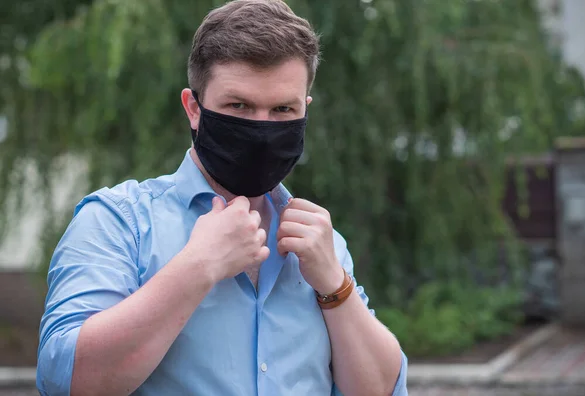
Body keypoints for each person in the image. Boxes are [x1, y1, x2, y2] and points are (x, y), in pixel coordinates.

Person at [36, 1, 408, 395]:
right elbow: (66, 381)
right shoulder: (118, 222)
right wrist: (198, 267)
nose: (261, 128)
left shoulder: (320, 241)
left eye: (283, 109)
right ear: (194, 108)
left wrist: (336, 285)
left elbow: (381, 390)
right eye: (239, 106)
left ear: (305, 110)